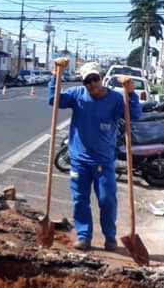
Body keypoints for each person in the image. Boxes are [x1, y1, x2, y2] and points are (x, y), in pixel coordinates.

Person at [49, 58, 142, 251]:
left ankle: (110, 237)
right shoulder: (77, 95)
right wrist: (55, 76)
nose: (91, 84)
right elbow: (54, 100)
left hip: (104, 160)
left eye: (94, 79)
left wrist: (131, 93)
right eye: (87, 81)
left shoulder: (116, 99)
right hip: (79, 161)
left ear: (101, 78)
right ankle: (84, 236)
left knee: (107, 200)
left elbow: (134, 115)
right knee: (80, 199)